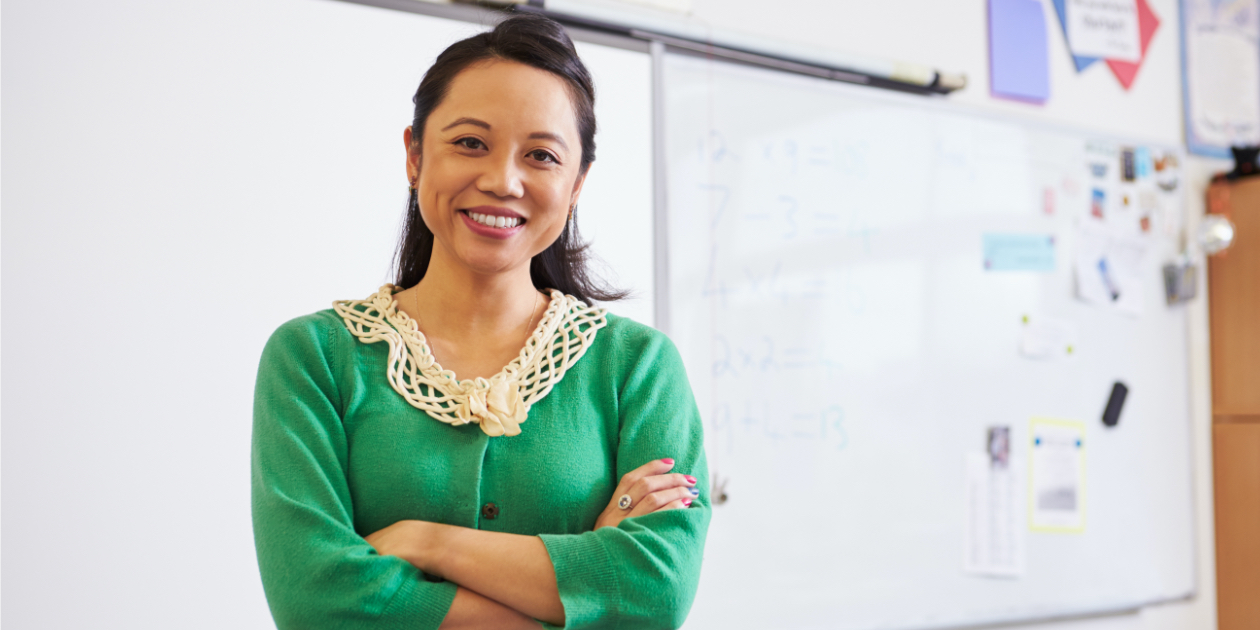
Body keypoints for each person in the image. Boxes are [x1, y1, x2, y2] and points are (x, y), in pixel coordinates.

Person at [250, 13, 709, 630]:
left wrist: (426, 542)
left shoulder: (639, 367)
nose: (502, 181)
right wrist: (581, 590)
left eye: (542, 155)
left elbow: (657, 593)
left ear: (577, 184)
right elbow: (315, 600)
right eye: (470, 142)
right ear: (414, 155)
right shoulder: (314, 358)